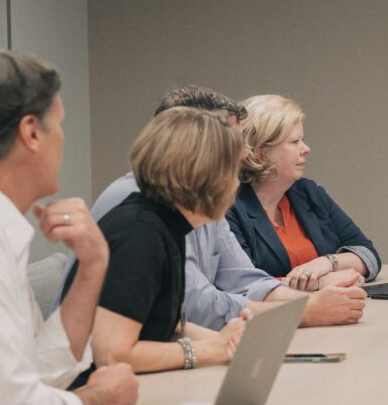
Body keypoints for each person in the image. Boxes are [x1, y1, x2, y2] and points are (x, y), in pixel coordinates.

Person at [0, 50, 137, 405]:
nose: (62, 139)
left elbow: (34, 375)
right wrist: (101, 400)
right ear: (31, 132)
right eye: (59, 125)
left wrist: (93, 266)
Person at [72, 86, 366, 328]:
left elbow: (243, 279)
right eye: (234, 142)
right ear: (197, 145)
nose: (246, 153)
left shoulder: (201, 198)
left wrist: (317, 301)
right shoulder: (141, 205)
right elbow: (194, 306)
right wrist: (306, 311)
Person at [64, 107, 248, 374]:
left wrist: (227, 341)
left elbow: (159, 323)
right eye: (232, 172)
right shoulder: (141, 235)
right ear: (204, 176)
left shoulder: (166, 223)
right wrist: (209, 350)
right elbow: (114, 355)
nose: (235, 185)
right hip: (94, 400)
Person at [227, 94, 380, 289]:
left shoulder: (308, 193)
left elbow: (368, 254)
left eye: (303, 140)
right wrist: (318, 283)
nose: (306, 149)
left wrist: (326, 263)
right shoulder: (228, 206)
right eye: (294, 142)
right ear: (260, 152)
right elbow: (239, 283)